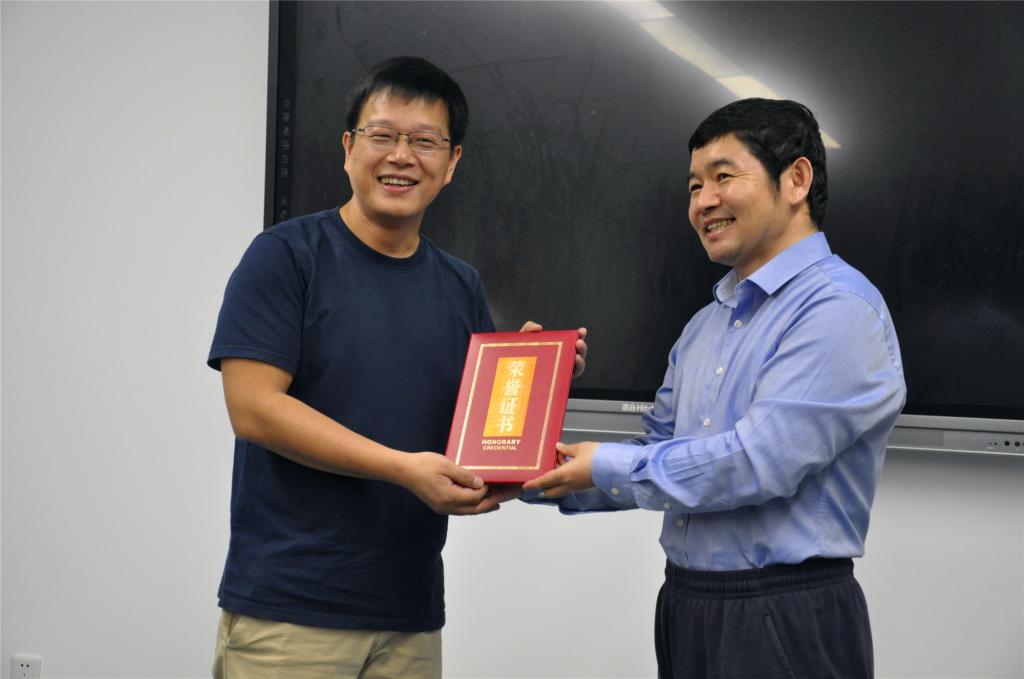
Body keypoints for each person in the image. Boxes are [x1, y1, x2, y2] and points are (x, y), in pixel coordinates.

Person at [207, 56, 585, 678]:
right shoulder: (285, 257)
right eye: (382, 135)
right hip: (292, 614)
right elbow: (254, 410)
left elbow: (468, 437)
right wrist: (403, 470)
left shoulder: (460, 285)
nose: (402, 156)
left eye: (425, 141)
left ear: (452, 162)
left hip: (410, 614)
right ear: (348, 149)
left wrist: (530, 379)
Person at [524, 98, 906, 678]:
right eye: (694, 186)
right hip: (687, 604)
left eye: (723, 177)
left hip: (784, 613)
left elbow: (757, 462)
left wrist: (601, 465)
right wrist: (524, 463)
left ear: (796, 180)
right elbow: (657, 451)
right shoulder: (704, 325)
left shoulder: (839, 308)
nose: (703, 201)